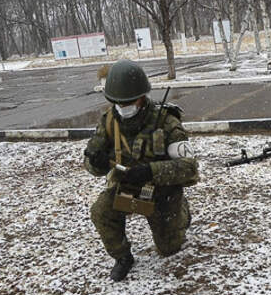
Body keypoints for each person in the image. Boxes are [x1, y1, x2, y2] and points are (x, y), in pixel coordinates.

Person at [84, 59, 198, 281]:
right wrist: (95, 163)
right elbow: (90, 163)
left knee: (169, 249)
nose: (122, 107)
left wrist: (150, 171)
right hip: (127, 190)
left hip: (161, 194)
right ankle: (123, 257)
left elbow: (189, 169)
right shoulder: (109, 122)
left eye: (127, 101)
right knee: (101, 212)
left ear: (142, 98)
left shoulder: (166, 121)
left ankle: (182, 213)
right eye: (117, 102)